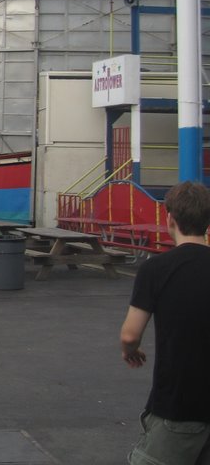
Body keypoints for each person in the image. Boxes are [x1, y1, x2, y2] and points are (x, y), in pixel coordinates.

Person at [120, 181, 210, 464]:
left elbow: (130, 334)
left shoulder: (155, 270)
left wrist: (131, 351)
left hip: (179, 404)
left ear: (169, 218)